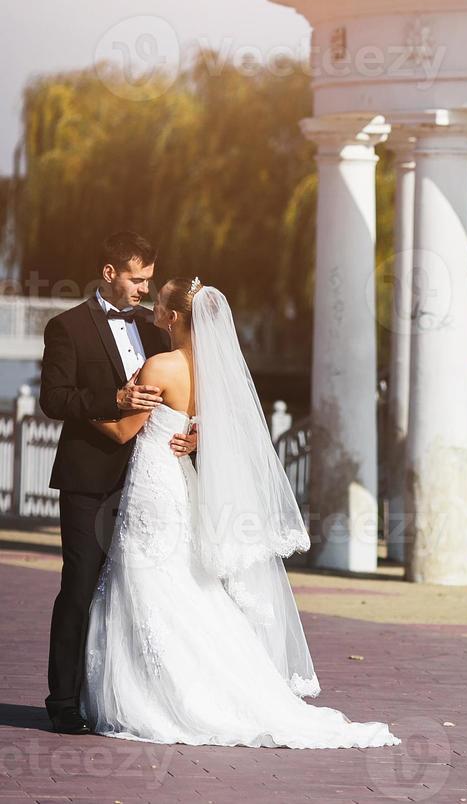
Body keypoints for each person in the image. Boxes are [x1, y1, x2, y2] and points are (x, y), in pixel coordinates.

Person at [81, 276, 397, 748]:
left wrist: (82, 408)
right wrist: (198, 435)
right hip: (179, 478)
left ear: (170, 317)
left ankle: (155, 693)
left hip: (152, 482)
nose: (152, 309)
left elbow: (123, 432)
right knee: (184, 581)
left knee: (148, 579)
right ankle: (214, 684)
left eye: (159, 304)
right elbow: (222, 426)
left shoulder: (159, 366)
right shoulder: (213, 369)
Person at [40, 232, 197, 736]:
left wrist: (197, 436)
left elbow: (190, 396)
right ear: (110, 273)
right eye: (137, 279)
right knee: (81, 586)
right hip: (90, 480)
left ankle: (124, 697)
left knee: (138, 591)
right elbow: (56, 399)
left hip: (152, 483)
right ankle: (64, 699)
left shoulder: (158, 332)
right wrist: (115, 400)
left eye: (150, 281)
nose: (144, 290)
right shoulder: (66, 328)